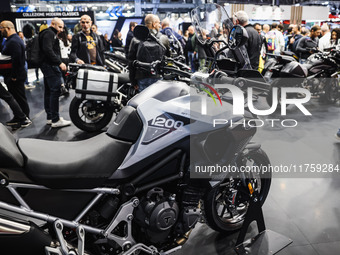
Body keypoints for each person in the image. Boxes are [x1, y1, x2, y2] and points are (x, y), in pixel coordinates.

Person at [39, 18, 71, 128]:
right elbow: (48, 50)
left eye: (62, 27)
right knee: (55, 91)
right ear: (53, 24)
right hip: (51, 66)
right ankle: (55, 119)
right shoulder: (49, 33)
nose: (61, 30)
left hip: (47, 65)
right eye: (59, 27)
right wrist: (59, 62)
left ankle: (50, 117)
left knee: (49, 91)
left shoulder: (47, 33)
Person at [128, 14, 169, 92]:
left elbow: (131, 62)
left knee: (143, 102)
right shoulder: (164, 38)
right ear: (154, 24)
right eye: (158, 23)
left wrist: (133, 81)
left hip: (141, 78)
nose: (160, 25)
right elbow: (168, 58)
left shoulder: (135, 39)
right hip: (158, 78)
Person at [0, 21, 31, 123]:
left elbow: (17, 59)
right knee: (17, 97)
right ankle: (19, 117)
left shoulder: (13, 41)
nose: (0, 30)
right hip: (12, 75)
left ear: (8, 28)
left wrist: (14, 75)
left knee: (19, 97)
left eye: (1, 28)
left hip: (15, 76)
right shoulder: (11, 40)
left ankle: (24, 117)